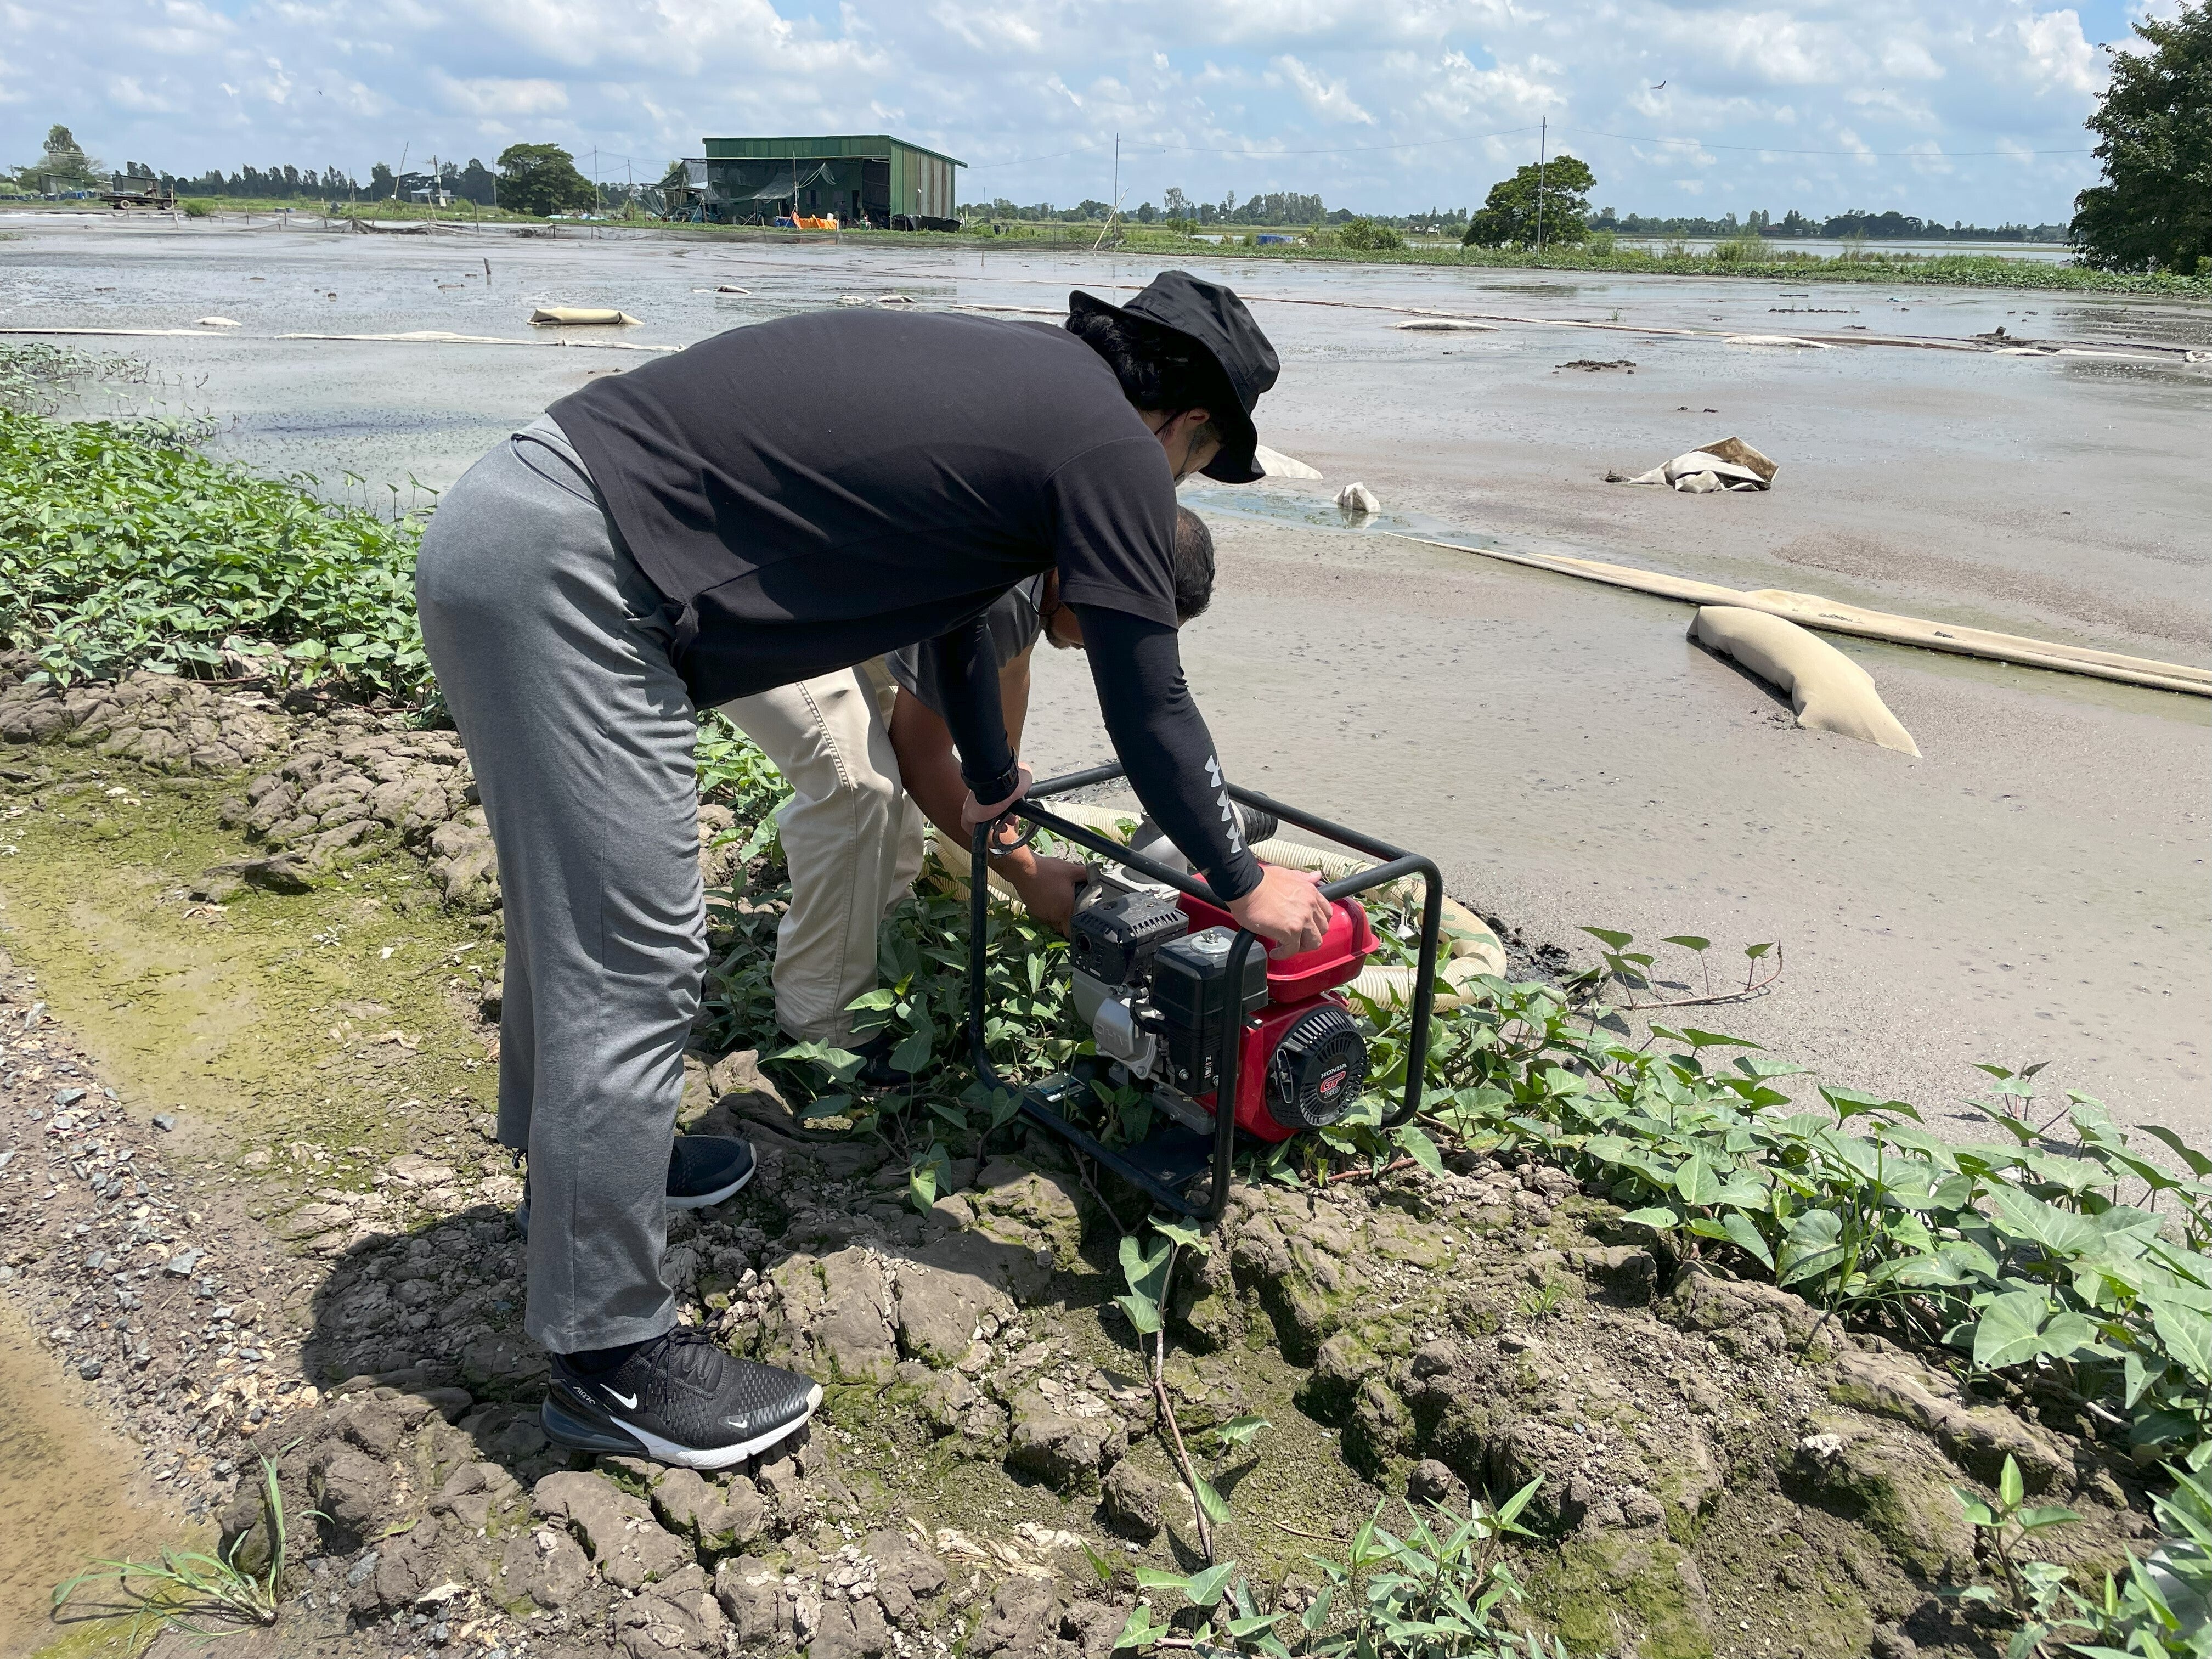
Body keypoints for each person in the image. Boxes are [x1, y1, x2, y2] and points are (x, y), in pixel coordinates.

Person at [414, 269, 1329, 1470]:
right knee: (630, 955)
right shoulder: (1112, 444)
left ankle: (586, 1180)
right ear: (1191, 425)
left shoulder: (1028, 397)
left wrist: (993, 775)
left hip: (534, 526)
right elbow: (1150, 698)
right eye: (1200, 466)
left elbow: (948, 617)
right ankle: (609, 1357)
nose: (1179, 485)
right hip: (577, 573)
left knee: (582, 919)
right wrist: (1243, 879)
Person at [720, 506, 1215, 1092]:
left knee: (891, 762)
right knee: (861, 787)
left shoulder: (1046, 551)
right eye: (1113, 627)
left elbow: (1010, 667)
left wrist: (1001, 792)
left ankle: (882, 927)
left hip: (843, 591)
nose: (1105, 648)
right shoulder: (1005, 583)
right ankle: (822, 1028)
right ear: (1085, 579)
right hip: (753, 593)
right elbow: (922, 758)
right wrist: (1026, 872)